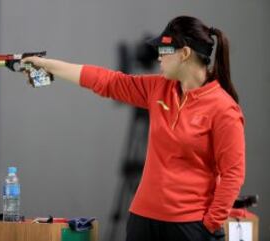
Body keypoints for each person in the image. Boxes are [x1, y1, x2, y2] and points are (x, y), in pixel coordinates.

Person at [22, 15, 245, 241]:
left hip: (190, 226)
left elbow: (233, 174)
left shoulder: (224, 109)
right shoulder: (158, 88)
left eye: (164, 50)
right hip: (143, 220)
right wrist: (48, 65)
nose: (159, 56)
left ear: (185, 54)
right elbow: (107, 81)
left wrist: (209, 225)